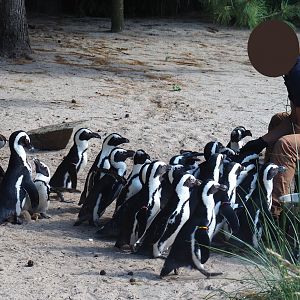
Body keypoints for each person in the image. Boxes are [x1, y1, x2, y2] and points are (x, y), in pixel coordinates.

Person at [240, 55, 300, 220]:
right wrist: (261, 141)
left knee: (286, 145)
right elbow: (293, 119)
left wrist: (265, 140)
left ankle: (274, 214)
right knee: (278, 120)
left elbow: (297, 124)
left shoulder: (297, 74)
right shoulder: (291, 70)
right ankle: (263, 188)